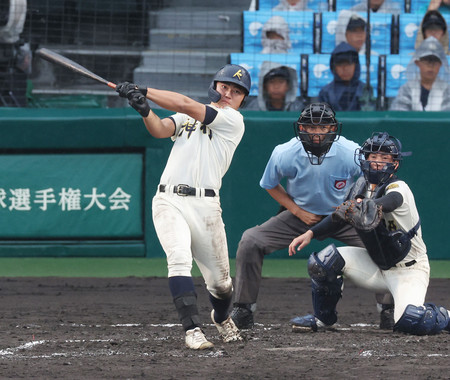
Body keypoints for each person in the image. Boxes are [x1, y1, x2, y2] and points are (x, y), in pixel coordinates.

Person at [115, 64, 251, 350]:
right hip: (169, 200)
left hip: (206, 206)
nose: (228, 93)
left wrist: (144, 90)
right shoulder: (188, 116)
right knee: (178, 258)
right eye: (225, 86)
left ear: (242, 100)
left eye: (236, 91)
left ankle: (221, 317)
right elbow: (162, 130)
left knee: (222, 286)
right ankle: (192, 330)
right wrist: (144, 109)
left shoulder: (233, 120)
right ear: (215, 86)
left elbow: (186, 104)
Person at [230, 102, 394, 330]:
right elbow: (270, 184)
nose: (317, 133)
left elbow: (369, 180)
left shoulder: (349, 152)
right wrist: (297, 211)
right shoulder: (285, 152)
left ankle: (389, 310)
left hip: (343, 217)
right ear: (302, 129)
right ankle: (243, 308)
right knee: (250, 241)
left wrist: (354, 205)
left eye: (323, 127)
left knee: (384, 246)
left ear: (332, 129)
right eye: (311, 127)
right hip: (299, 214)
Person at [289, 132, 450, 336]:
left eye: (384, 158)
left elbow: (392, 201)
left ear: (395, 164)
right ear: (364, 159)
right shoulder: (360, 187)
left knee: (411, 321)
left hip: (409, 270)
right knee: (323, 263)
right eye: (373, 157)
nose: (377, 162)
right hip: (376, 265)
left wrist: (370, 205)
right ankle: (323, 319)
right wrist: (311, 233)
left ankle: (447, 317)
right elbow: (339, 216)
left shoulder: (399, 188)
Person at [390, 36, 450, 111]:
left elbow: (446, 117)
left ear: (441, 64)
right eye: (426, 61)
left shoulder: (447, 89)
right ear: (417, 63)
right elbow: (399, 114)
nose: (430, 66)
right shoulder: (407, 88)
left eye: (435, 61)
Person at [318, 42, 375, 111]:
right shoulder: (325, 93)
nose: (345, 69)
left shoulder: (365, 90)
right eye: (340, 64)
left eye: (349, 64)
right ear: (334, 68)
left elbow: (369, 118)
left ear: (356, 66)